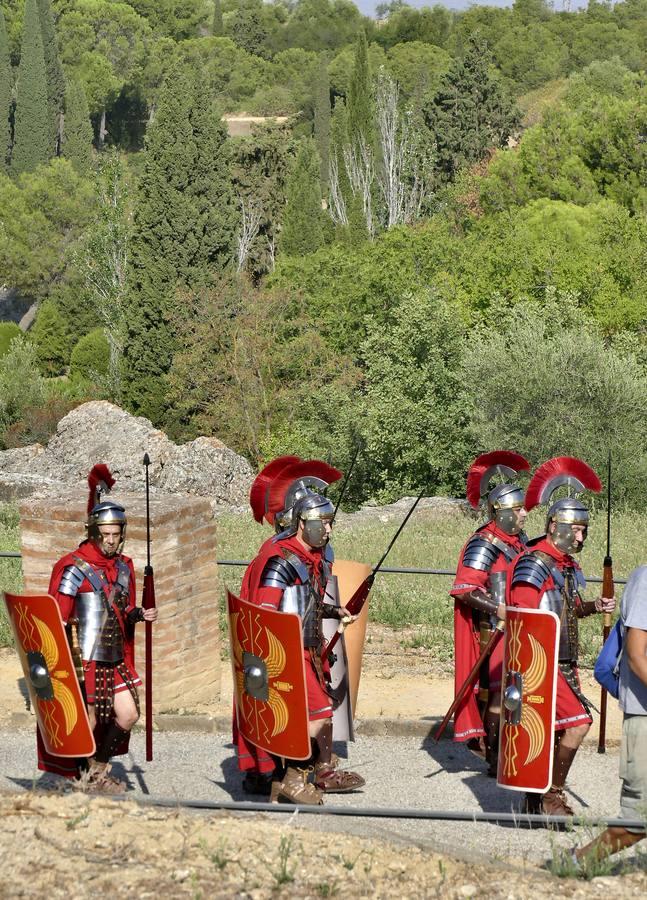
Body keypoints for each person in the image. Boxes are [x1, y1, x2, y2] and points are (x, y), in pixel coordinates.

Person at [236, 458, 365, 804]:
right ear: (301, 523)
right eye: (322, 522)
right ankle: (292, 779)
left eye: (329, 522)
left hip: (308, 646)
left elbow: (303, 604)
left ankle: (310, 772)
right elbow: (264, 614)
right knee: (318, 713)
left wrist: (333, 610)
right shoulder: (281, 560)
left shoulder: (311, 556)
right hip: (286, 653)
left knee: (323, 711)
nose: (328, 530)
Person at [37, 464, 158, 792]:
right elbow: (54, 619)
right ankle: (87, 778)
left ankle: (97, 771)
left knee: (128, 714)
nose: (111, 541)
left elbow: (122, 609)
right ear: (93, 533)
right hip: (83, 659)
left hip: (114, 657)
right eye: (105, 535)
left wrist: (138, 615)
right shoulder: (73, 570)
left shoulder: (122, 567)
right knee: (86, 723)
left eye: (116, 534)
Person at [507, 456, 615, 816]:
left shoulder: (565, 565)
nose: (582, 536)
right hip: (541, 662)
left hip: (563, 661)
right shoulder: (535, 562)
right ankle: (552, 794)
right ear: (556, 526)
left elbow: (563, 610)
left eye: (585, 529)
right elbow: (523, 619)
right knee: (578, 723)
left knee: (555, 729)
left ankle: (534, 800)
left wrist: (592, 606)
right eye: (577, 529)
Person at [450, 451, 529, 774]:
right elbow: (465, 588)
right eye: (518, 509)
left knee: (515, 688)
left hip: (519, 628)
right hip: (492, 630)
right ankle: (496, 756)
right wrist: (498, 608)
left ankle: (508, 746)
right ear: (501, 511)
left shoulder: (518, 540)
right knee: (499, 690)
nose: (524, 513)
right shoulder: (484, 543)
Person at [575, 565, 647, 862]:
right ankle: (579, 861)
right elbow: (636, 654)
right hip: (645, 716)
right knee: (638, 818)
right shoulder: (645, 581)